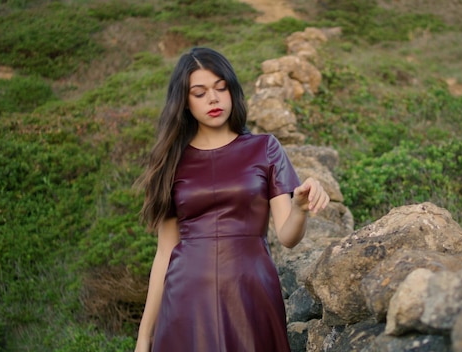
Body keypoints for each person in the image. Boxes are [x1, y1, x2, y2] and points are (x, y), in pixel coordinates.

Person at [134, 47, 330, 352]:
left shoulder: (265, 148)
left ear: (232, 90)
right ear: (184, 102)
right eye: (199, 93)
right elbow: (164, 253)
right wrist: (144, 337)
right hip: (185, 299)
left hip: (250, 294)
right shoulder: (171, 162)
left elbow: (288, 237)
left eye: (220, 88)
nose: (213, 99)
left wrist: (299, 208)